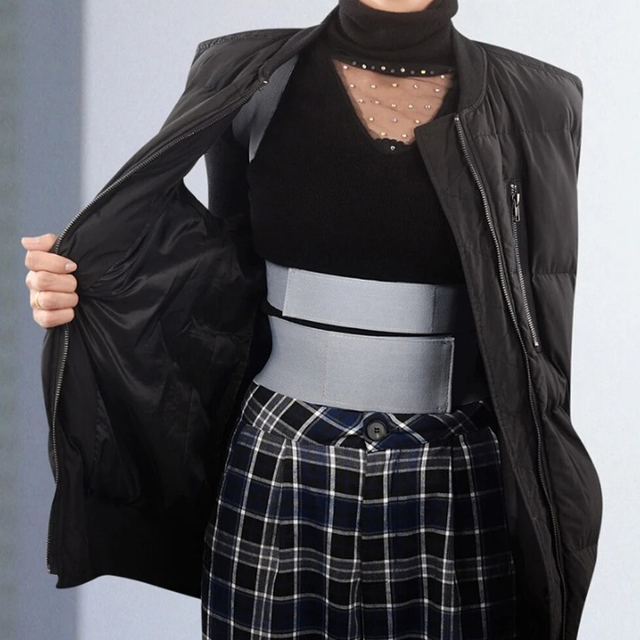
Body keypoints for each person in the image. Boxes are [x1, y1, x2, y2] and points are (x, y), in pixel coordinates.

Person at [21, 1, 603, 639]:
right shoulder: (247, 77)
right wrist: (85, 284)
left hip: (457, 478)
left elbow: (539, 337)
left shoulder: (538, 103)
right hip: (279, 462)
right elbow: (217, 284)